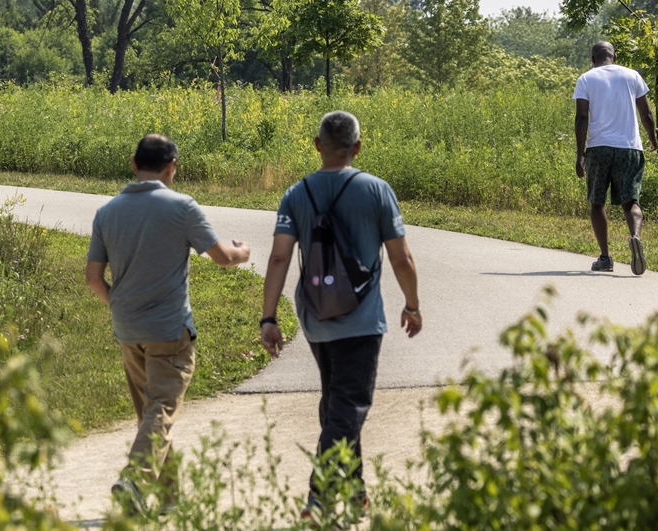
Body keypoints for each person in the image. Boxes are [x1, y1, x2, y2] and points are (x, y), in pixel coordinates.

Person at [257, 111, 421, 523]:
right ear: (358, 147)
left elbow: (279, 255)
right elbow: (400, 258)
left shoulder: (297, 194)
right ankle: (320, 496)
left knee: (337, 404)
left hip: (315, 317)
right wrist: (412, 304)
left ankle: (355, 492)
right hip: (363, 319)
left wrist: (268, 317)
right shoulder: (377, 190)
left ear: (317, 145)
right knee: (348, 405)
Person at [86, 134, 251, 516]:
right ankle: (135, 479)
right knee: (160, 408)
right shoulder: (181, 207)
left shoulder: (107, 212)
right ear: (172, 166)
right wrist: (243, 251)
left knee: (153, 412)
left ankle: (170, 497)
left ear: (133, 163)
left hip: (128, 329)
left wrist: (121, 306)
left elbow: (94, 278)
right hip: (169, 330)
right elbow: (223, 258)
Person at [573, 41, 658, 275]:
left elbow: (582, 118)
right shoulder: (632, 76)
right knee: (631, 201)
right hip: (630, 148)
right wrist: (653, 140)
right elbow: (646, 113)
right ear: (615, 55)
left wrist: (580, 153)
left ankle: (605, 258)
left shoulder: (586, 79)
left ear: (593, 59)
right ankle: (635, 237)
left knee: (597, 201)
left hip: (599, 148)